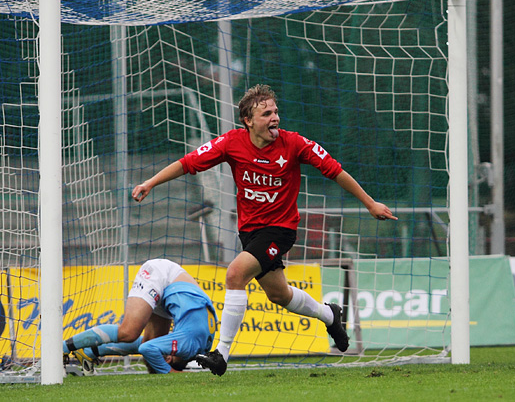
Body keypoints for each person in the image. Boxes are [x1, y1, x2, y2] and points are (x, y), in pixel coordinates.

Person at [132, 84, 397, 376]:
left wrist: (370, 204)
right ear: (249, 120)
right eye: (266, 113)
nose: (275, 118)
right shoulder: (231, 143)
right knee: (279, 295)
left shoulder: (295, 144)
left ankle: (221, 354)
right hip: (250, 232)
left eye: (276, 111)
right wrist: (150, 182)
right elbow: (188, 163)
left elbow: (335, 170)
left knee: (235, 274)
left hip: (280, 230)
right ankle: (329, 314)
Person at [63, 259, 217, 374]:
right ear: (169, 358)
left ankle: (89, 352)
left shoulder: (201, 347)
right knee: (129, 332)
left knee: (149, 342)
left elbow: (147, 347)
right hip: (163, 275)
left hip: (175, 292)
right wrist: (171, 373)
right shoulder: (185, 345)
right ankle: (62, 348)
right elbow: (147, 350)